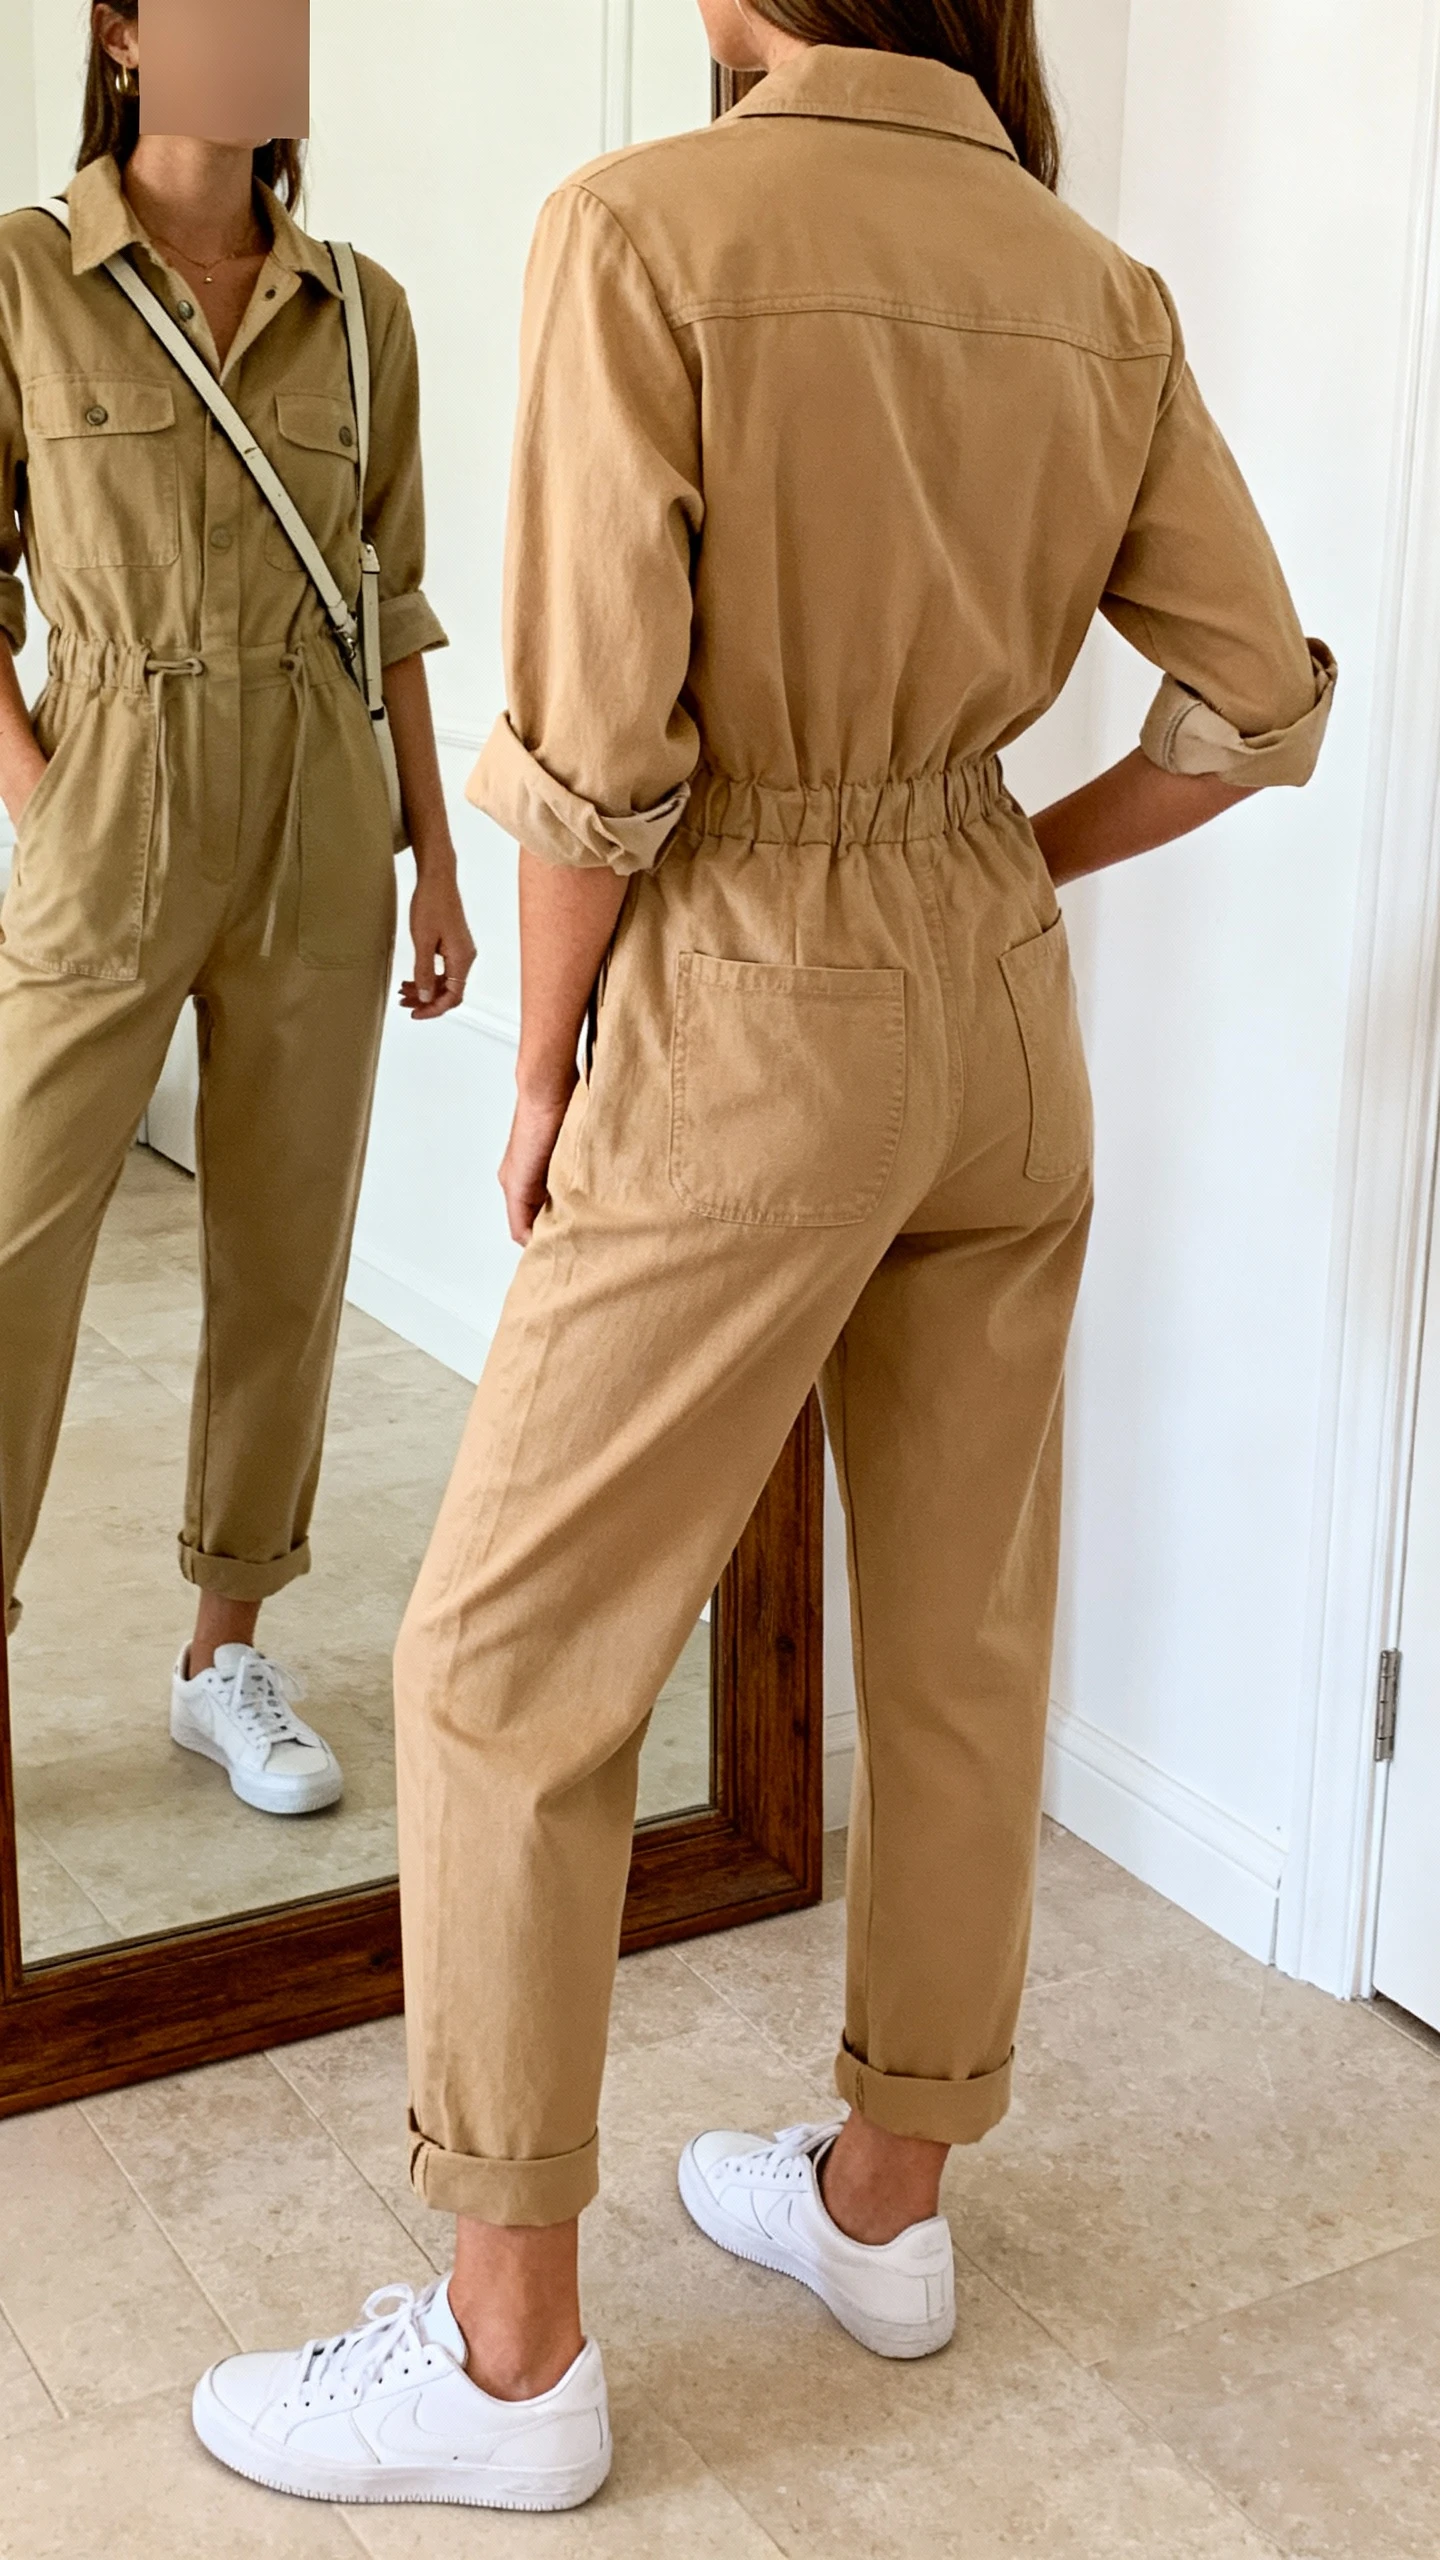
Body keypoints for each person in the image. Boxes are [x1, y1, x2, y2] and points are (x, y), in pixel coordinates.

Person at [191, 0, 1334, 2511]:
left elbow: (599, 748)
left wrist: (538, 1060)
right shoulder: (1089, 277)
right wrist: (1002, 870)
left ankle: (508, 2369)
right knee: (961, 1630)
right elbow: (1263, 701)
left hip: (751, 1009)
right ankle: (886, 2208)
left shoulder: (645, 229)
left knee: (502, 1653)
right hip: (995, 1021)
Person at [0, 3, 473, 1816]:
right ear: (122, 36)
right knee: (22, 1247)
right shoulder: (26, 278)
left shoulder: (366, 310)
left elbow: (395, 604)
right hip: (113, 789)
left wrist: (434, 854)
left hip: (318, 813)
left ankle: (227, 1652)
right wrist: (54, 802)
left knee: (285, 1255)